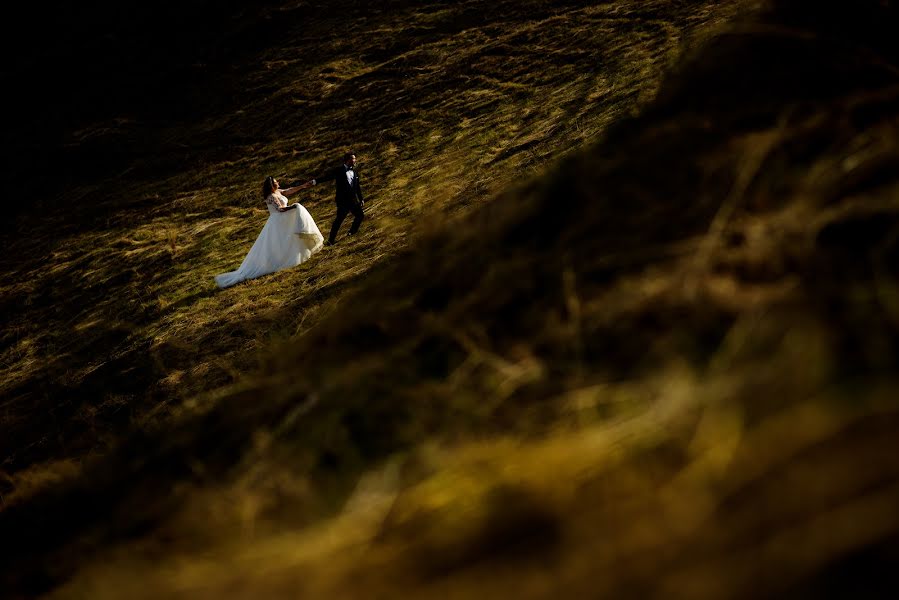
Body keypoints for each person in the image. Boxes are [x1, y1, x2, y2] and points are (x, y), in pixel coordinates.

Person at [214, 176, 324, 288]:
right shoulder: (271, 196)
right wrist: (294, 207)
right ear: (272, 185)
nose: (279, 183)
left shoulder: (277, 192)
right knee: (278, 242)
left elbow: (289, 190)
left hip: (283, 219)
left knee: (287, 240)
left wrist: (303, 186)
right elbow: (280, 209)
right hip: (277, 221)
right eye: (276, 182)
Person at [307, 152, 365, 245]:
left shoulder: (354, 172)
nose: (355, 160)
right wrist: (315, 181)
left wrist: (361, 199)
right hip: (343, 201)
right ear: (347, 160)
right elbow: (327, 177)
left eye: (355, 159)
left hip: (353, 200)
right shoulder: (339, 170)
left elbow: (357, 187)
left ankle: (352, 233)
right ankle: (331, 241)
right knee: (339, 220)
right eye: (353, 159)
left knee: (360, 216)